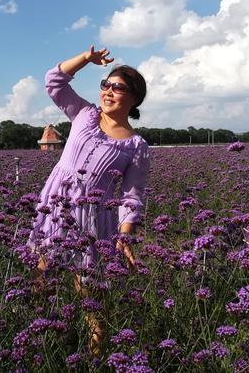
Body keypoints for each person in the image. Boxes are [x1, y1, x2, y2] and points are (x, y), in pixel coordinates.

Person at [27, 45, 151, 356]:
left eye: (117, 87)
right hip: (55, 207)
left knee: (91, 295)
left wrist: (126, 235)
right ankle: (39, 347)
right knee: (41, 278)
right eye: (105, 84)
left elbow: (131, 195)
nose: (108, 91)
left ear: (134, 97)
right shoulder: (84, 113)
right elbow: (54, 81)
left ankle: (96, 359)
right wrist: (85, 59)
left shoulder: (136, 145)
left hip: (95, 220)